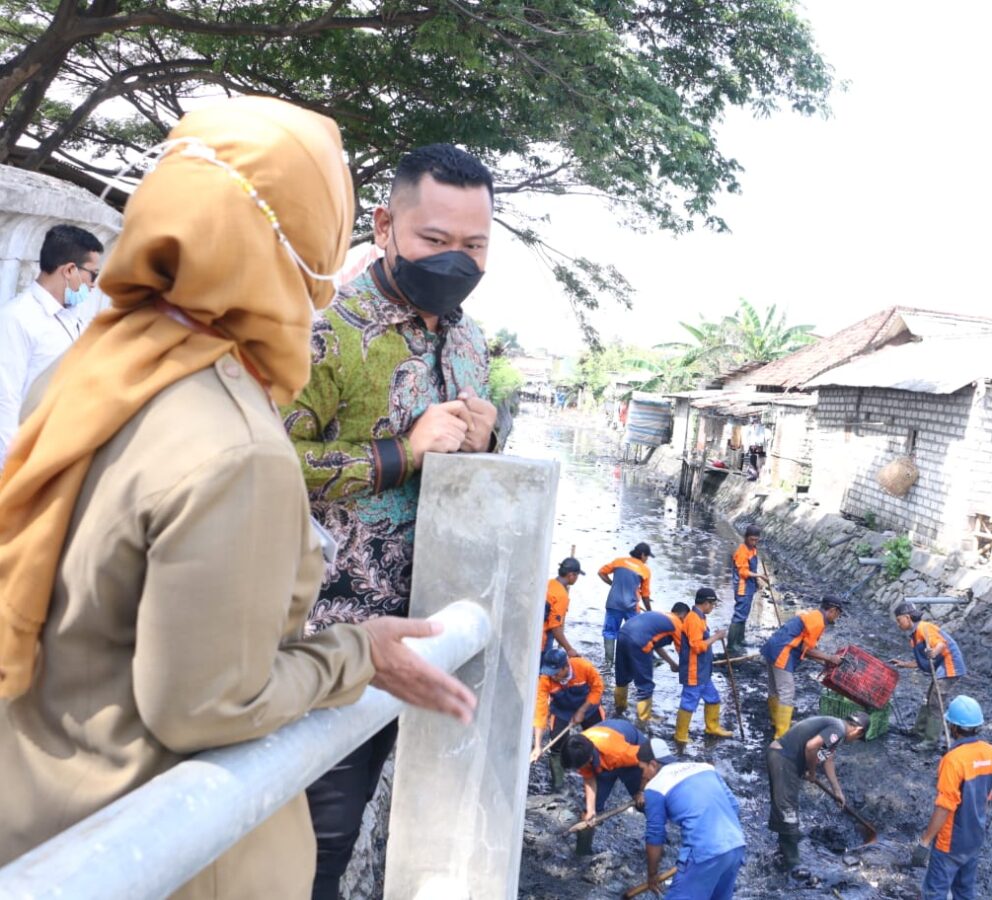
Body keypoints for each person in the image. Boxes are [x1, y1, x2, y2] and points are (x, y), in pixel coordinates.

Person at [0, 98, 477, 899]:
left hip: (45, 811)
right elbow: (212, 706)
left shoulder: (86, 371)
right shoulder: (235, 447)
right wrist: (361, 651)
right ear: (309, 244)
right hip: (169, 849)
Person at [281, 142, 504, 900]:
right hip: (327, 647)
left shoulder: (469, 338)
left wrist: (487, 435)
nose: (455, 260)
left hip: (429, 633)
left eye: (473, 245)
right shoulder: (323, 330)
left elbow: (473, 465)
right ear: (384, 224)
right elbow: (257, 466)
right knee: (314, 843)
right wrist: (401, 453)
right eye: (434, 241)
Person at [0, 224, 104, 466]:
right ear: (70, 270)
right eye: (93, 274)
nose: (93, 285)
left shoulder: (71, 317)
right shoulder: (18, 318)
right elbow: (5, 400)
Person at [638, 738, 746, 899]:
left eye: (642, 769)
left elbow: (655, 835)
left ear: (653, 764)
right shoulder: (705, 768)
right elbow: (734, 806)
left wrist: (652, 875)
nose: (643, 776)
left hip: (704, 853)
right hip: (736, 845)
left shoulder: (655, 787)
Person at [916, 696, 992, 900]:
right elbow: (986, 796)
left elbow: (945, 806)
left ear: (953, 726)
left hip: (950, 841)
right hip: (975, 836)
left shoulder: (953, 760)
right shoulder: (990, 752)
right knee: (964, 891)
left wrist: (925, 841)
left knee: (934, 891)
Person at [766, 712, 869, 871]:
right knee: (787, 809)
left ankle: (787, 841)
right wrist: (812, 772)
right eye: (857, 738)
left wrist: (837, 790)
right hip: (783, 759)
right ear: (858, 730)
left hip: (785, 759)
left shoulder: (836, 732)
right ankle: (793, 863)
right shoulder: (838, 729)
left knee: (787, 804)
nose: (854, 741)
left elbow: (828, 759)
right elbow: (811, 746)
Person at [760, 596, 847, 738]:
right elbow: (808, 650)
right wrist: (830, 658)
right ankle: (781, 734)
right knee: (787, 692)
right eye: (838, 613)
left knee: (774, 689)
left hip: (773, 647)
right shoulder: (817, 623)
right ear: (832, 610)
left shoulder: (813, 615)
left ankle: (777, 721)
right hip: (782, 651)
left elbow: (803, 647)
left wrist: (823, 661)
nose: (837, 617)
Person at [888, 601, 967, 752]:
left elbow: (941, 644)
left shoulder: (924, 628)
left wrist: (934, 652)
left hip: (950, 667)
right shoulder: (914, 636)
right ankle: (919, 730)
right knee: (928, 699)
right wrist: (903, 664)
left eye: (899, 620)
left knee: (935, 703)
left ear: (907, 617)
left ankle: (930, 741)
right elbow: (921, 662)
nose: (898, 624)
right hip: (940, 669)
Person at [561, 719, 648, 856]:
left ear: (589, 759)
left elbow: (648, 761)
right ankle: (582, 854)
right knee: (589, 816)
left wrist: (642, 791)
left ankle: (657, 843)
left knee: (645, 803)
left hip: (634, 757)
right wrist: (591, 810)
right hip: (604, 758)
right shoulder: (579, 749)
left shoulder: (620, 752)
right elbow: (589, 779)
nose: (579, 770)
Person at [531, 648, 605, 789]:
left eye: (556, 673)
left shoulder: (583, 667)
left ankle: (600, 775)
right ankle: (558, 786)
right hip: (561, 710)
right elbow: (540, 711)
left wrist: (582, 710)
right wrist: (538, 746)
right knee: (556, 747)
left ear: (566, 666)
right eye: (550, 673)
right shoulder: (545, 679)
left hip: (589, 708)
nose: (553, 677)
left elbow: (598, 688)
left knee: (598, 742)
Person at [674, 588, 733, 745]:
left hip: (703, 671)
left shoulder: (700, 618)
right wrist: (716, 637)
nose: (713, 607)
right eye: (712, 604)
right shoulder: (693, 620)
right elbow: (697, 647)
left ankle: (712, 727)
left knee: (713, 698)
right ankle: (680, 735)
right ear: (706, 603)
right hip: (694, 671)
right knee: (689, 701)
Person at [616, 603, 689, 727]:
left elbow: (656, 644)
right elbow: (683, 652)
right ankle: (644, 719)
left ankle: (619, 708)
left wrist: (672, 663)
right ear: (683, 615)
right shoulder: (677, 623)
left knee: (622, 678)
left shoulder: (660, 615)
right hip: (640, 642)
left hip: (623, 634)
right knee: (645, 684)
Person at [598, 541, 655, 664]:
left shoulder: (619, 561)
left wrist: (612, 584)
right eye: (647, 557)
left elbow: (601, 572)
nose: (647, 560)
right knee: (636, 633)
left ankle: (608, 662)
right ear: (643, 555)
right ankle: (632, 661)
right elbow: (645, 595)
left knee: (609, 632)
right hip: (631, 606)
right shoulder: (644, 570)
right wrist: (649, 611)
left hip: (613, 603)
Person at [726, 525, 766, 656]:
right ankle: (732, 645)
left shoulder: (753, 550)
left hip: (750, 586)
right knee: (739, 615)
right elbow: (743, 572)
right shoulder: (741, 552)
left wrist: (757, 581)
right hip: (742, 587)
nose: (754, 542)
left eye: (756, 540)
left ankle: (740, 640)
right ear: (746, 538)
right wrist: (759, 576)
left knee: (745, 614)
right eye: (752, 540)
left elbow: (752, 569)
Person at [542, 557, 584, 656]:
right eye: (577, 575)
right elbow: (555, 628)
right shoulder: (561, 595)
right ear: (571, 575)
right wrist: (569, 649)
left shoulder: (549, 582)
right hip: (542, 638)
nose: (577, 578)